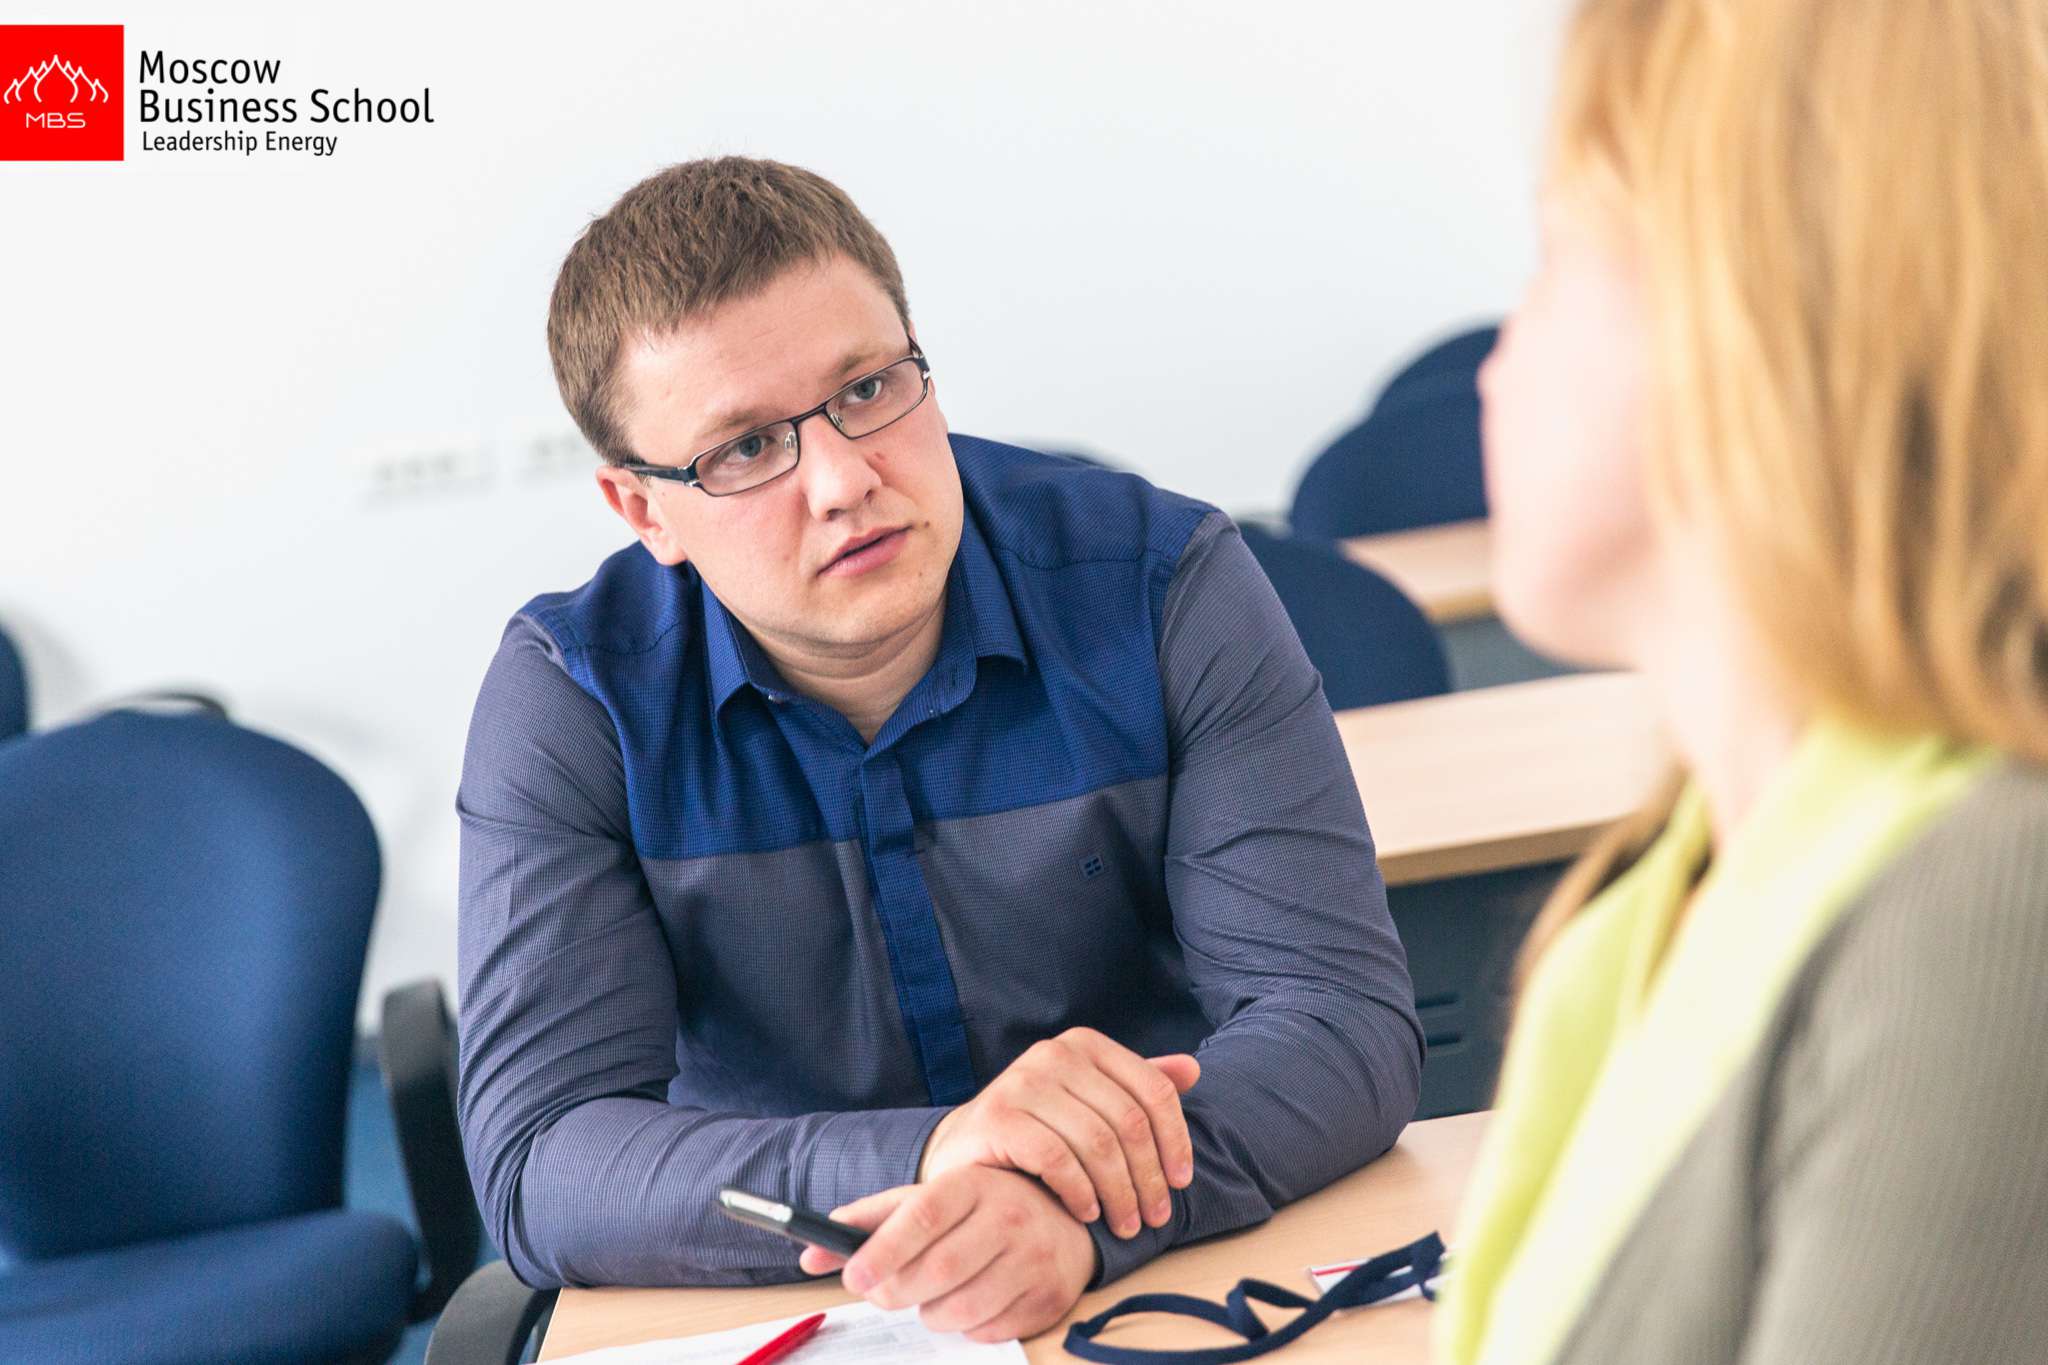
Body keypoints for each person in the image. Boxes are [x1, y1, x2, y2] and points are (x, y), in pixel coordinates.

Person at [455, 156, 1423, 1344]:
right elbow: (542, 1158)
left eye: (867, 388)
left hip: (1155, 1271)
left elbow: (1334, 1018)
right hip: (807, 1299)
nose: (842, 479)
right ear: (644, 510)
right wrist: (941, 1153)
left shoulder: (1156, 583)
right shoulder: (576, 697)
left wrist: (1067, 1212)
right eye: (744, 448)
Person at [1437, 0, 2048, 1360]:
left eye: (1556, 259)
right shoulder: (1665, 887)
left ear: (1755, 304)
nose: (1497, 363)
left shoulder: (1986, 907)